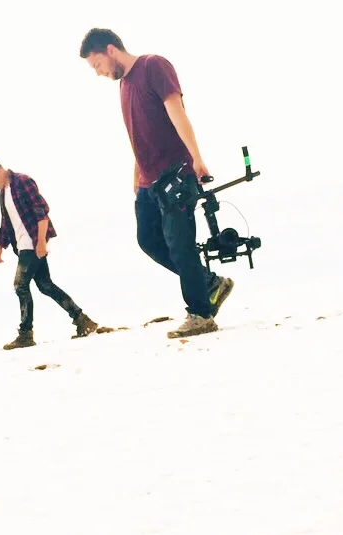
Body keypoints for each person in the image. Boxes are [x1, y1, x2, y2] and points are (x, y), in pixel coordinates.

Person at [79, 28, 234, 338]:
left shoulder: (153, 66)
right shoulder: (124, 85)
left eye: (97, 64)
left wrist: (197, 158)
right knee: (148, 240)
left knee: (180, 244)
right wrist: (136, 173)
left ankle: (201, 314)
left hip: (176, 172)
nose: (98, 73)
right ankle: (209, 283)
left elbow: (177, 112)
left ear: (110, 50)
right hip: (148, 181)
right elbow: (139, 135)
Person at [0, 159, 99, 349]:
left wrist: (41, 241)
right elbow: (6, 222)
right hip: (23, 245)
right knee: (45, 285)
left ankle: (25, 334)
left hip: (32, 242)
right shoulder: (4, 192)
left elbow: (41, 212)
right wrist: (0, 246)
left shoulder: (22, 181)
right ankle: (82, 320)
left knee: (20, 285)